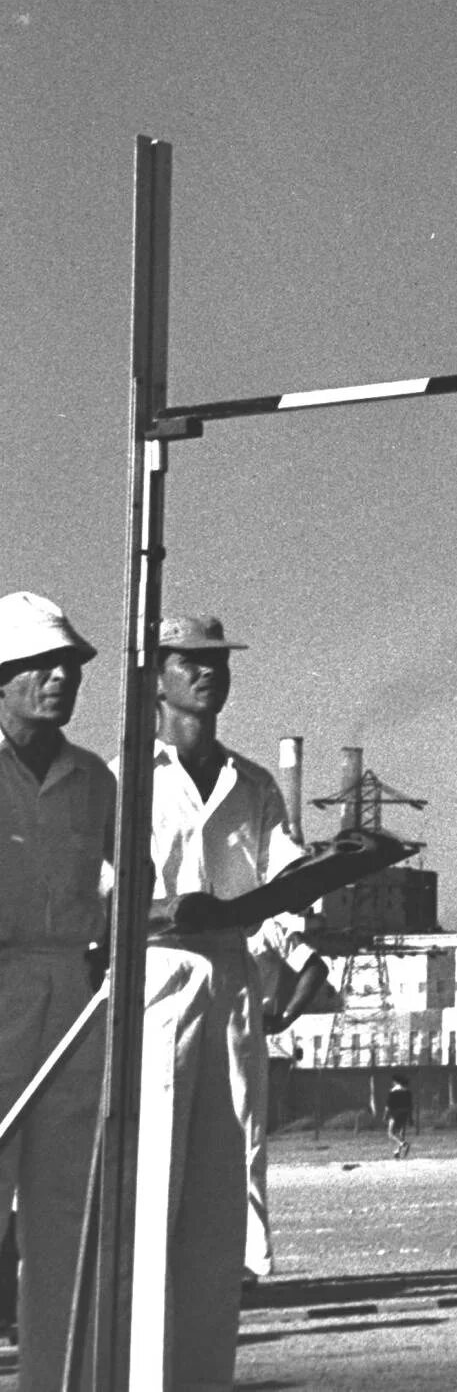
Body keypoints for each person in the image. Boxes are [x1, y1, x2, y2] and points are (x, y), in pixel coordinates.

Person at [133, 612, 333, 1387]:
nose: (208, 672)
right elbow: (102, 902)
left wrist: (336, 875)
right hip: (153, 979)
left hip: (232, 983)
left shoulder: (252, 785)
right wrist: (171, 913)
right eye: (191, 660)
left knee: (229, 1173)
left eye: (217, 660)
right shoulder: (127, 778)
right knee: (155, 1178)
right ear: (158, 675)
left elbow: (285, 893)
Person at [0, 593, 114, 1392]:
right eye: (40, 666)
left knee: (67, 1212)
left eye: (68, 667)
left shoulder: (93, 780)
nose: (59, 679)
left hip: (73, 1003)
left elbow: (132, 883)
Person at [385, 1074, 415, 1159]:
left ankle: (402, 1144)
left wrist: (385, 1115)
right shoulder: (408, 1092)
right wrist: (410, 1118)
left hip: (395, 1114)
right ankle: (397, 1152)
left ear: (396, 1082)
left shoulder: (393, 1091)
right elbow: (410, 1106)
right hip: (405, 1114)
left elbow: (388, 1106)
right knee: (402, 1133)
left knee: (391, 1133)